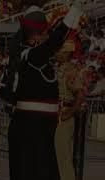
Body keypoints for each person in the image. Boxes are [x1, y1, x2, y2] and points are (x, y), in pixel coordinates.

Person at [7, 1, 84, 180]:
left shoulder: (30, 56)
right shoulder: (30, 55)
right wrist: (73, 13)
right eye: (45, 33)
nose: (47, 37)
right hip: (32, 131)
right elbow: (55, 41)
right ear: (38, 35)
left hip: (37, 129)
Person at [55, 39, 84, 180]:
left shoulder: (72, 70)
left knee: (63, 157)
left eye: (59, 50)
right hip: (52, 114)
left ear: (66, 53)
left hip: (63, 114)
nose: (56, 53)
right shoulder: (54, 67)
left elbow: (80, 94)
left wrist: (70, 112)